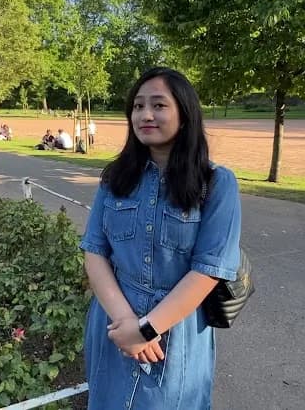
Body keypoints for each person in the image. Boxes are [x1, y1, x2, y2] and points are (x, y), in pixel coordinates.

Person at [79, 67, 241, 409]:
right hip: (113, 323)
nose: (145, 115)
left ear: (184, 115)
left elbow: (209, 269)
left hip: (176, 334)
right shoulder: (115, 178)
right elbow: (94, 252)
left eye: (158, 105)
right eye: (138, 106)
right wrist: (126, 323)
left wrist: (147, 329)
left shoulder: (216, 184)